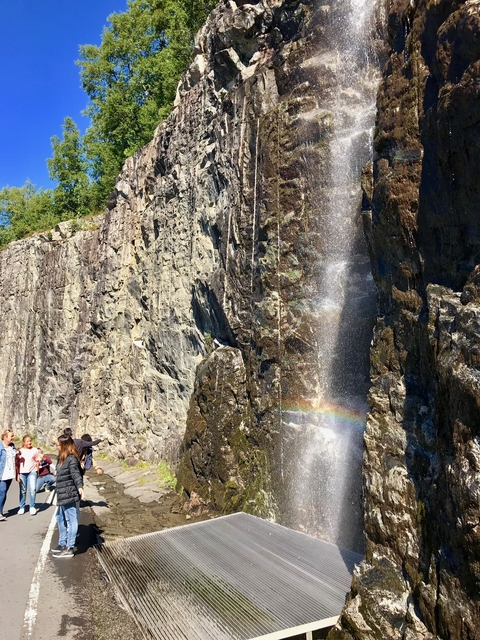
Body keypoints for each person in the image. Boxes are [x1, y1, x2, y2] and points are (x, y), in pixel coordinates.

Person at [52, 434, 84, 558]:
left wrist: (80, 487)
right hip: (62, 493)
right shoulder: (61, 457)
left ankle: (69, 548)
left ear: (64, 445)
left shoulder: (71, 459)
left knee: (71, 519)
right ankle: (62, 543)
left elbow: (76, 474)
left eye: (58, 445)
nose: (56, 447)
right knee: (60, 517)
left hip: (69, 493)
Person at [17, 435, 40, 515]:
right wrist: (18, 474)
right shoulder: (20, 451)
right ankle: (22, 507)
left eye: (30, 441)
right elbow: (17, 463)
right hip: (22, 473)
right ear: (23, 442)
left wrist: (37, 471)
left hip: (32, 472)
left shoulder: (35, 450)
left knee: (33, 489)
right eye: (27, 441)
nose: (29, 442)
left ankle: (32, 506)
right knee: (23, 490)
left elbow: (37, 460)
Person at [0, 429, 16, 520]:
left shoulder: (12, 446)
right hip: (2, 474)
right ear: (5, 437)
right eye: (11, 436)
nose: (13, 438)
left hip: (10, 474)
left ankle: (1, 511)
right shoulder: (0, 446)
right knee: (2, 492)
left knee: (4, 493)